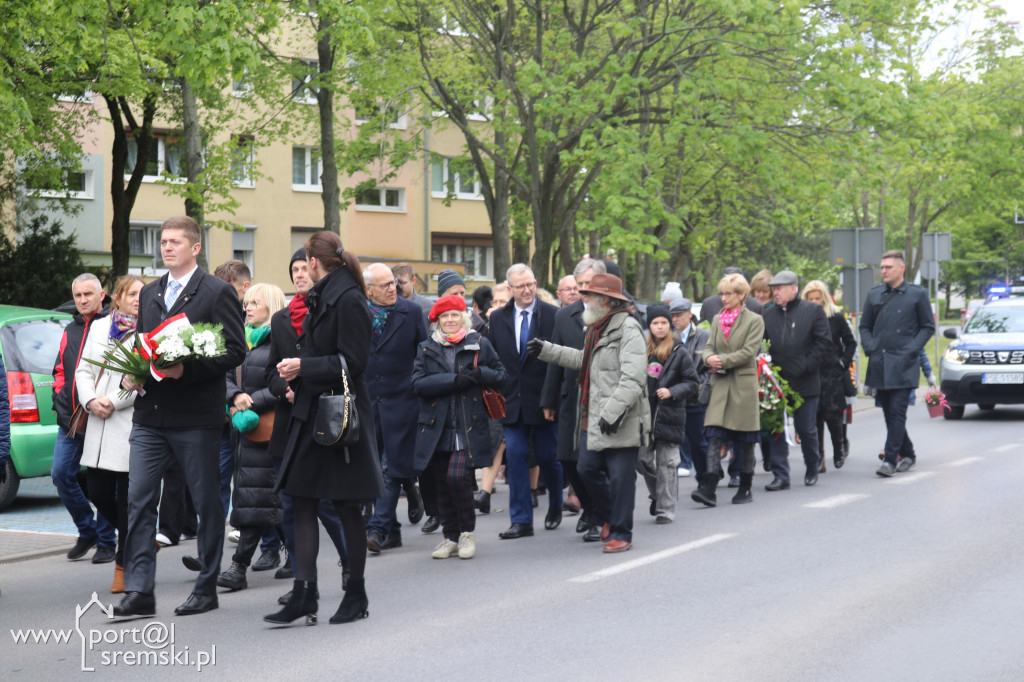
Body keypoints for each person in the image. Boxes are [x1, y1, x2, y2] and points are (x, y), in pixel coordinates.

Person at [114, 216, 246, 619]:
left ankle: (206, 588)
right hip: (150, 417)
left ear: (195, 247)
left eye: (175, 242)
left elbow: (235, 351)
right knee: (139, 501)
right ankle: (140, 590)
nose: (167, 247)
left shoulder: (217, 291)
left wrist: (185, 370)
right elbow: (145, 346)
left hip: (195, 418)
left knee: (206, 503)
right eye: (163, 241)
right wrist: (133, 373)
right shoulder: (151, 292)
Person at [266, 231, 385, 627]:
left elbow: (356, 361)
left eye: (305, 263)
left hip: (340, 417)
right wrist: (295, 371)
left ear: (315, 262)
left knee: (347, 506)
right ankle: (305, 592)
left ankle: (356, 593)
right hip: (312, 412)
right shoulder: (325, 295)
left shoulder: (348, 298)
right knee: (301, 498)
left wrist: (304, 366)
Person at [532, 273, 651, 553]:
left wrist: (612, 413)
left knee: (620, 479)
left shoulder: (628, 329)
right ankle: (608, 516)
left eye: (591, 296)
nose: (585, 300)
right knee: (585, 468)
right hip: (594, 416)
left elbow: (633, 379)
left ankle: (622, 533)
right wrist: (547, 350)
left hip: (621, 419)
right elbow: (583, 359)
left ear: (607, 301)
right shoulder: (596, 328)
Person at [265, 249, 350, 606]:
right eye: (294, 270)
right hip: (289, 424)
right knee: (290, 503)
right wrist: (281, 389)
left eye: (304, 268)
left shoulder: (328, 312)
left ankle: (350, 562)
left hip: (323, 418)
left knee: (325, 503)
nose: (300, 274)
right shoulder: (281, 319)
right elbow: (271, 370)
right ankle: (303, 581)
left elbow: (346, 362)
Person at [412, 295, 507, 559]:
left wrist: (481, 374)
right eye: (445, 316)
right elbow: (417, 384)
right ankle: (450, 537)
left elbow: (502, 375)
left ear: (463, 318)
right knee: (442, 483)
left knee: (457, 478)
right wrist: (454, 380)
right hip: (437, 426)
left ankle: (466, 533)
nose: (450, 320)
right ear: (437, 321)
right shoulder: (426, 347)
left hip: (468, 425)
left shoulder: (479, 343)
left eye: (455, 315)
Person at [216, 283, 288, 592]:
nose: (247, 307)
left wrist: (251, 401)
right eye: (247, 303)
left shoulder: (282, 341)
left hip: (270, 433)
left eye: (255, 302)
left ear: (271, 305)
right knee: (263, 501)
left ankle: (238, 567)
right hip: (244, 432)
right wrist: (235, 397)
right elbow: (225, 377)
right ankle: (294, 556)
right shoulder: (242, 340)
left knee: (255, 502)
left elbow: (283, 385)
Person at [76, 275, 144, 593]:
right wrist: (90, 400)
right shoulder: (100, 327)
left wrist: (113, 402)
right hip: (97, 422)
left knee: (127, 501)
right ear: (117, 298)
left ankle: (122, 566)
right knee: (98, 492)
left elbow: (141, 378)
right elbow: (83, 370)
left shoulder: (147, 331)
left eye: (143, 294)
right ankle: (141, 536)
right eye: (132, 294)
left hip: (128, 423)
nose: (138, 299)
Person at [487, 264, 563, 539]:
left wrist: (552, 399)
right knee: (516, 455)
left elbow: (559, 362)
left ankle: (556, 504)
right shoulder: (498, 318)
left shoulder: (553, 315)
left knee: (547, 457)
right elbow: (494, 359)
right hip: (511, 401)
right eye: (521, 286)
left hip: (544, 401)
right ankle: (521, 520)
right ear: (510, 289)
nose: (527, 290)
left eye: (531, 284)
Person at [51, 273, 117, 563]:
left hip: (104, 415)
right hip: (72, 417)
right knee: (60, 474)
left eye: (88, 294)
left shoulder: (114, 325)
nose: (82, 300)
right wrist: (59, 396)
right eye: (77, 295)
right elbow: (59, 369)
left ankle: (106, 541)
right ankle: (87, 530)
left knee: (104, 481)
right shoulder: (70, 328)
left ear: (101, 295)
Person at [363, 263, 428, 553]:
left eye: (393, 283)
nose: (393, 288)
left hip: (403, 402)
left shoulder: (411, 312)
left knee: (389, 467)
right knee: (375, 466)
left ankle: (377, 529)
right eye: (385, 285)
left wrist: (417, 388)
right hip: (370, 402)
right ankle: (394, 531)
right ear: (369, 290)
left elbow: (423, 354)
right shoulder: (358, 314)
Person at [539, 259, 606, 538]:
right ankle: (589, 508)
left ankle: (600, 516)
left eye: (589, 284)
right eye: (580, 285)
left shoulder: (613, 314)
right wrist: (548, 400)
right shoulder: (565, 315)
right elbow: (555, 357)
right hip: (571, 398)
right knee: (568, 458)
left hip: (602, 398)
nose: (583, 290)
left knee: (592, 463)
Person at [692, 273, 765, 507]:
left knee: (745, 439)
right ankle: (709, 487)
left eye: (728, 294)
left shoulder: (754, 320)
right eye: (721, 294)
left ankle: (745, 487)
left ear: (741, 295)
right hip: (720, 385)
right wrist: (708, 358)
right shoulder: (716, 319)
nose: (723, 298)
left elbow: (749, 352)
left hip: (743, 385)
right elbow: (708, 347)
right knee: (714, 436)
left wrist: (720, 361)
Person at [860, 250, 934, 477]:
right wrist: (870, 347)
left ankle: (890, 460)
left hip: (904, 365)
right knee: (888, 413)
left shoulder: (917, 294)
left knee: (897, 411)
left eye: (888, 267)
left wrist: (911, 350)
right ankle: (908, 453)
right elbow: (865, 326)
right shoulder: (874, 294)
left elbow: (928, 327)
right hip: (880, 363)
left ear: (901, 268)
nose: (883, 271)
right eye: (882, 267)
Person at [761, 270, 832, 489]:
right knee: (776, 428)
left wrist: (806, 365)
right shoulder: (767, 315)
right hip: (776, 383)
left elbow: (824, 344)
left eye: (779, 289)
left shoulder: (812, 311)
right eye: (773, 289)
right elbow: (762, 345)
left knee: (806, 428)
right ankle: (780, 474)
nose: (775, 293)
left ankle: (812, 465)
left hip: (805, 382)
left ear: (794, 288)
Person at [638, 305, 698, 524]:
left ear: (669, 325)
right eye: (655, 323)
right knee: (642, 460)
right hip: (644, 416)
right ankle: (658, 494)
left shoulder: (679, 351)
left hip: (669, 415)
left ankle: (665, 510)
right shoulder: (641, 349)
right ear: (650, 326)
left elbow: (692, 382)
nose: (660, 327)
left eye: (664, 323)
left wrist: (672, 392)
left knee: (667, 465)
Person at [802, 280, 857, 470]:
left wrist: (843, 362)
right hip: (812, 371)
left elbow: (850, 342)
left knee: (833, 416)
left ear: (824, 298)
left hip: (833, 373)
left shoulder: (835, 317)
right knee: (815, 416)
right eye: (811, 299)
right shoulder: (803, 319)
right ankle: (819, 458)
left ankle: (838, 447)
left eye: (818, 298)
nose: (814, 302)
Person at [474, 281, 512, 513]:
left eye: (502, 302)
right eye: (494, 302)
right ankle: (485, 493)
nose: (496, 306)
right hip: (494, 391)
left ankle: (531, 488)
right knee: (497, 440)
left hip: (517, 390)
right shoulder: (484, 327)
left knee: (523, 447)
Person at [671, 298, 709, 480]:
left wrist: (698, 386)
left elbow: (709, 368)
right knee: (679, 440)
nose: (675, 319)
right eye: (672, 316)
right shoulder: (669, 337)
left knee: (699, 442)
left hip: (696, 398)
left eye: (679, 315)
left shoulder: (703, 336)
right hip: (676, 398)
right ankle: (697, 470)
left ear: (689, 314)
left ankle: (706, 477)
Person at [699, 267, 764, 325]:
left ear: (741, 293)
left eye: (728, 293)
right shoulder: (709, 304)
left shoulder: (755, 307)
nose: (723, 299)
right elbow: (702, 327)